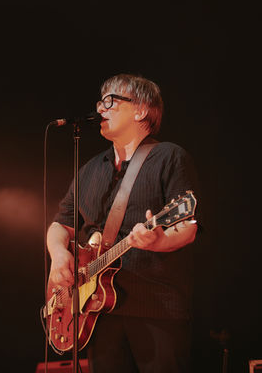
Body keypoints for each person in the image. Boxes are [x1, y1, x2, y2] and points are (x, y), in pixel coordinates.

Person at [47, 73, 201, 373]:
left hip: (154, 307)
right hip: (97, 313)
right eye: (99, 102)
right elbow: (60, 224)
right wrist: (58, 254)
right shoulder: (89, 169)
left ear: (141, 110)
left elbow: (189, 225)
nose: (100, 108)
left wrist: (159, 241)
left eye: (110, 101)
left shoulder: (169, 157)